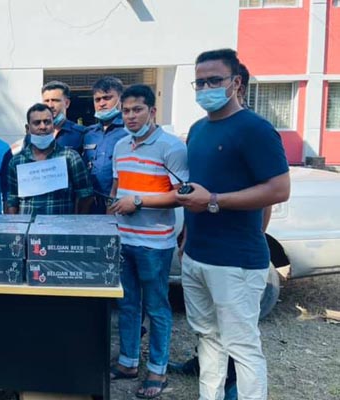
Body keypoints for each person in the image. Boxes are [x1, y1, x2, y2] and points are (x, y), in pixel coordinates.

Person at [177, 48, 290, 400]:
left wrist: (214, 200)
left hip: (237, 262)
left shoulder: (255, 129)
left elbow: (277, 190)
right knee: (208, 338)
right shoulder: (197, 130)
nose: (205, 88)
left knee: (241, 345)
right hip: (197, 256)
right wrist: (186, 239)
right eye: (200, 82)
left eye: (214, 80)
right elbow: (197, 187)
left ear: (236, 82)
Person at [107, 84, 188, 399]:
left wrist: (138, 201)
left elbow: (182, 195)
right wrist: (113, 205)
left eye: (137, 110)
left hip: (155, 244)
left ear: (152, 111)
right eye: (126, 111)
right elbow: (117, 186)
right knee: (127, 305)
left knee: (156, 307)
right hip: (123, 239)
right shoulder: (120, 146)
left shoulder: (171, 147)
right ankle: (128, 362)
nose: (130, 116)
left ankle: (157, 370)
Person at [6, 103, 93, 216]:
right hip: (28, 226)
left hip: (62, 226)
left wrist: (76, 222)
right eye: (37, 123)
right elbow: (12, 200)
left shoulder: (70, 157)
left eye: (47, 122)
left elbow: (85, 195)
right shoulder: (17, 161)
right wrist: (14, 224)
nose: (43, 127)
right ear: (28, 129)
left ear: (53, 126)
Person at [82, 76, 128, 214]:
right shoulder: (89, 133)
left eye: (107, 98)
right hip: (92, 203)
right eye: (97, 99)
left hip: (121, 203)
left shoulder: (129, 131)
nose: (101, 103)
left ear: (120, 99)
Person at [41, 80, 87, 153]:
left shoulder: (81, 133)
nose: (50, 105)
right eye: (46, 101)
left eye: (55, 100)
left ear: (67, 103)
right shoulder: (35, 134)